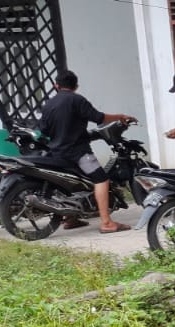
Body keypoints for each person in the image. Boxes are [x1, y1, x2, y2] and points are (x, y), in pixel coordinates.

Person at [38, 70, 137, 233]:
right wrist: (120, 116)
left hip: (56, 152)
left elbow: (44, 130)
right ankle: (106, 222)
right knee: (101, 180)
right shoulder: (77, 100)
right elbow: (99, 118)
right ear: (76, 86)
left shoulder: (49, 104)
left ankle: (71, 219)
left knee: (77, 181)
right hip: (78, 152)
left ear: (56, 86)